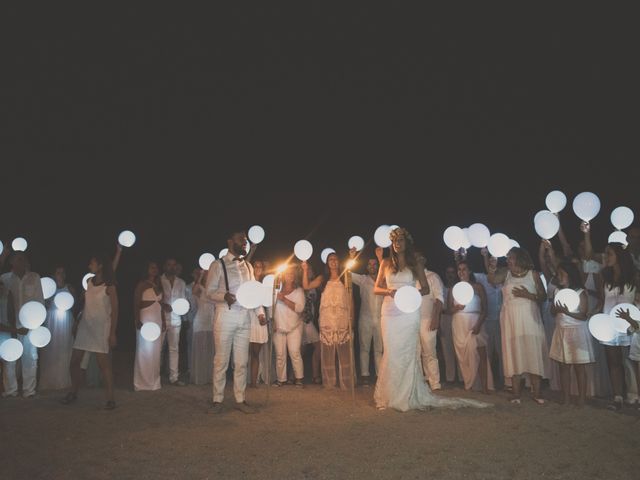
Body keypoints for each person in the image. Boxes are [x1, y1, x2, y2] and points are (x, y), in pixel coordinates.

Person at [373, 227, 490, 412]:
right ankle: (389, 395)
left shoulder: (415, 263)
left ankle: (408, 395)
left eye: (401, 240)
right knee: (391, 351)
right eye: (394, 241)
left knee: (408, 352)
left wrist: (409, 295)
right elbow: (376, 288)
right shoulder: (386, 263)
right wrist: (390, 291)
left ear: (407, 243)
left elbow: (426, 289)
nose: (397, 244)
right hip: (389, 312)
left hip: (408, 312)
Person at [206, 230, 266, 414]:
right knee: (221, 361)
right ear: (230, 241)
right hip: (225, 316)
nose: (245, 242)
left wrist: (260, 312)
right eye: (241, 240)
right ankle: (217, 400)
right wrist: (224, 296)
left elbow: (253, 292)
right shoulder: (218, 265)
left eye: (246, 240)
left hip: (244, 317)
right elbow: (209, 292)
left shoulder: (247, 266)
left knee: (241, 362)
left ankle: (240, 399)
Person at [488, 247, 550, 404]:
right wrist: (492, 269)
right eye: (507, 257)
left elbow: (543, 296)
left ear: (520, 258)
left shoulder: (533, 274)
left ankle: (536, 392)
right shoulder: (505, 273)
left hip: (530, 320)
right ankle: (516, 393)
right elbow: (492, 280)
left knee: (532, 352)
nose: (508, 260)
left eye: (511, 257)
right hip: (510, 320)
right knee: (514, 352)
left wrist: (528, 295)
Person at [62, 254, 118, 409]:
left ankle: (110, 399)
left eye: (92, 263)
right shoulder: (89, 282)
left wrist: (112, 333)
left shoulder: (109, 286)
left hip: (100, 329)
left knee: (103, 365)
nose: (89, 265)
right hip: (85, 327)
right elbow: (86, 305)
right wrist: (78, 321)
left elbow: (115, 310)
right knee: (74, 362)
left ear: (100, 266)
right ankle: (73, 392)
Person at [595, 242, 638, 409]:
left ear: (619, 256)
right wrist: (594, 313)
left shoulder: (633, 276)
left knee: (632, 360)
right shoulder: (604, 275)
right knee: (613, 361)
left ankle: (634, 395)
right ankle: (617, 397)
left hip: (628, 324)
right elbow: (601, 300)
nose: (606, 257)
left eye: (609, 254)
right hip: (609, 324)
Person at [303, 252, 354, 390]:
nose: (333, 261)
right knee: (328, 351)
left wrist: (351, 318)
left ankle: (346, 381)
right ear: (327, 263)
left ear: (339, 262)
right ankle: (330, 381)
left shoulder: (345, 277)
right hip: (327, 319)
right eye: (330, 259)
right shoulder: (323, 278)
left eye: (336, 259)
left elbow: (350, 298)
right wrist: (305, 269)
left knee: (344, 351)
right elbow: (306, 286)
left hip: (342, 318)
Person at [549, 261, 593, 407]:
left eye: (562, 274)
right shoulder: (556, 291)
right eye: (558, 274)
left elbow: (583, 315)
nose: (559, 277)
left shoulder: (580, 292)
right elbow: (552, 312)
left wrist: (567, 311)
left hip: (576, 331)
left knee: (579, 366)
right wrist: (556, 309)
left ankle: (581, 398)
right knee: (563, 366)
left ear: (570, 275)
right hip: (561, 330)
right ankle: (566, 397)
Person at [1, 252, 45, 398]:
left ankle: (29, 390)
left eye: (24, 258)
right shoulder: (5, 279)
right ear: (12, 261)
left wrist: (33, 324)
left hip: (30, 326)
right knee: (9, 358)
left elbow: (40, 302)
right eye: (18, 259)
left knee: (30, 357)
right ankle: (10, 390)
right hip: (10, 325)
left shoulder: (34, 277)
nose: (22, 261)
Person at [449, 261, 493, 393]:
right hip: (459, 323)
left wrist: (479, 324)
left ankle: (485, 386)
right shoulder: (453, 289)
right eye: (459, 270)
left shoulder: (477, 287)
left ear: (469, 271)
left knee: (481, 353)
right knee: (464, 355)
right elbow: (448, 309)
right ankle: (471, 383)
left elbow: (485, 309)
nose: (461, 272)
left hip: (475, 321)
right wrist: (456, 308)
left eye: (464, 269)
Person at [348, 247, 384, 386]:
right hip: (365, 318)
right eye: (370, 264)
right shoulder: (363, 279)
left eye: (375, 264)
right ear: (367, 267)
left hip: (380, 318)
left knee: (379, 349)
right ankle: (365, 375)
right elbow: (348, 274)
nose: (372, 267)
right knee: (364, 347)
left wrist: (381, 257)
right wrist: (352, 258)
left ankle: (379, 375)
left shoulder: (384, 279)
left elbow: (388, 273)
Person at [39, 266, 76, 390]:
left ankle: (63, 380)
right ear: (53, 274)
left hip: (65, 319)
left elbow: (74, 304)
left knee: (64, 346)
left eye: (62, 272)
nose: (60, 274)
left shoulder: (69, 287)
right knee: (51, 348)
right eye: (58, 272)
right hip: (52, 319)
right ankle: (49, 380)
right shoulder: (49, 288)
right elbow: (45, 303)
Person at [133, 262, 166, 391]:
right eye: (151, 267)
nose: (154, 269)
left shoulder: (158, 285)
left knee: (155, 351)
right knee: (144, 350)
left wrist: (163, 321)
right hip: (145, 318)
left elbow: (162, 305)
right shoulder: (142, 285)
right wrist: (137, 319)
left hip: (157, 319)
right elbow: (136, 303)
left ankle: (154, 382)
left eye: (156, 267)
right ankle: (142, 383)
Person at [415, 251, 445, 391]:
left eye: (418, 257)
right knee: (415, 352)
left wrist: (436, 317)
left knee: (429, 352)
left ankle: (434, 382)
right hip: (412, 321)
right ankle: (420, 381)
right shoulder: (410, 278)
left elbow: (439, 298)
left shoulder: (432, 276)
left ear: (423, 260)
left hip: (427, 319)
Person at [273, 265, 306, 387]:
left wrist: (284, 300)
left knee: (294, 352)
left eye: (291, 274)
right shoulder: (276, 290)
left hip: (294, 327)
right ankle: (281, 379)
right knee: (280, 354)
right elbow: (271, 307)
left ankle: (299, 378)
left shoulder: (299, 291)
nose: (289, 275)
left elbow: (300, 308)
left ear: (294, 276)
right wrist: (273, 321)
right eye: (287, 273)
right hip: (279, 326)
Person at [160, 258, 187, 386]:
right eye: (169, 264)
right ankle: (154, 375)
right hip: (161, 319)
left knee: (174, 349)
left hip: (176, 319)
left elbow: (183, 300)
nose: (171, 267)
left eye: (174, 265)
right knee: (158, 349)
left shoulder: (181, 282)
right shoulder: (159, 280)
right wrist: (162, 305)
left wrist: (184, 308)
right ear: (165, 266)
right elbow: (155, 299)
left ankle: (174, 377)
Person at [190, 269, 214, 385]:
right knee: (200, 349)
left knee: (209, 350)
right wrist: (200, 277)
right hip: (200, 320)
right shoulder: (200, 288)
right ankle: (199, 377)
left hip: (211, 321)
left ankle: (208, 376)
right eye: (207, 274)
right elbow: (193, 291)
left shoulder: (213, 289)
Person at [249, 260, 269, 388]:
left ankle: (253, 381)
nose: (258, 268)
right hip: (248, 318)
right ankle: (242, 380)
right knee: (245, 352)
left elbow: (264, 302)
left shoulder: (264, 285)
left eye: (260, 266)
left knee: (255, 353)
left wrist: (262, 315)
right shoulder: (247, 283)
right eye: (255, 266)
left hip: (260, 319)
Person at [301, 263, 322, 384]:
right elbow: (305, 287)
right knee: (316, 346)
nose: (308, 271)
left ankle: (295, 376)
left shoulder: (315, 285)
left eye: (310, 269)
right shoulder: (300, 284)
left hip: (310, 319)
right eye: (306, 269)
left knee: (302, 349)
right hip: (303, 320)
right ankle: (314, 375)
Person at [439, 265, 459, 384]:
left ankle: (462, 378)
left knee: (459, 348)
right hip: (444, 320)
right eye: (448, 272)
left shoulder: (459, 288)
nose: (450, 274)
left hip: (457, 319)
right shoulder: (441, 287)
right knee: (447, 350)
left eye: (452, 272)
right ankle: (450, 377)